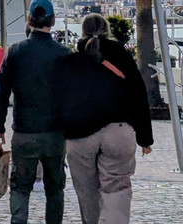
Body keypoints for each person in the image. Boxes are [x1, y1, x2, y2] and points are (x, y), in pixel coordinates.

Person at [62, 14, 153, 224]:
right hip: (118, 131)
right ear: (107, 30)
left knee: (86, 190)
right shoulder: (123, 58)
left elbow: (59, 99)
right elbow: (139, 95)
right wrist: (145, 138)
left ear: (83, 32)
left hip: (79, 135)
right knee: (117, 188)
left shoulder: (71, 62)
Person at [0, 0, 72, 224]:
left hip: (25, 131)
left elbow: (1, 92)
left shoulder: (16, 52)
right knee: (55, 189)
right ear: (53, 21)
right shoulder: (64, 54)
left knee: (20, 187)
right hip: (55, 133)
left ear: (28, 20)